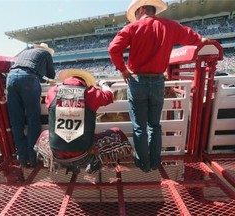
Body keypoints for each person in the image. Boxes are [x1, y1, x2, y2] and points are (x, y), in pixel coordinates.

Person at [108, 0, 207, 172]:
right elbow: (193, 38)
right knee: (154, 125)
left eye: (137, 13)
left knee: (139, 127)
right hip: (158, 82)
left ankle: (143, 164)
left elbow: (113, 49)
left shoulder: (132, 28)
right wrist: (203, 40)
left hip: (137, 81)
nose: (136, 17)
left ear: (142, 9)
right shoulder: (170, 26)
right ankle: (155, 162)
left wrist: (123, 70)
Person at [34, 69, 133, 174]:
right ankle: (95, 161)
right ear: (84, 83)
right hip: (84, 156)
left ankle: (55, 163)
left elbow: (49, 102)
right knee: (116, 133)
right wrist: (104, 85)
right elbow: (109, 96)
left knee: (44, 134)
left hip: (58, 155)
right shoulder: (89, 93)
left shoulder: (53, 92)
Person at [6, 43, 56, 168]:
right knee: (33, 118)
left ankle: (22, 157)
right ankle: (33, 156)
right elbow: (51, 75)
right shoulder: (46, 54)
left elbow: (23, 70)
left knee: (16, 119)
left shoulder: (24, 53)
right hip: (28, 78)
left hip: (11, 78)